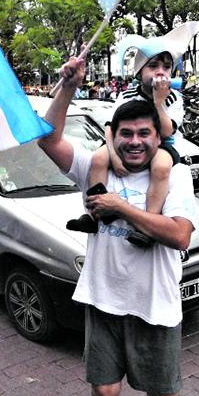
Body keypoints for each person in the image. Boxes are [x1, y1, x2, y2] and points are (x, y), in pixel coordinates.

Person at [37, 56, 197, 396]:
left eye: (144, 133)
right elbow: (47, 139)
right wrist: (66, 85)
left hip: (156, 307)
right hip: (104, 301)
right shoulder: (94, 165)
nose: (134, 141)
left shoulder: (175, 174)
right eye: (125, 133)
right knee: (104, 391)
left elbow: (180, 234)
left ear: (157, 136)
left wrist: (119, 208)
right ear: (112, 136)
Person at [69, 46, 182, 248]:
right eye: (153, 66)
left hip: (161, 145)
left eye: (166, 67)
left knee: (162, 167)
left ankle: (148, 224)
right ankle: (94, 214)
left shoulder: (173, 97)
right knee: (98, 158)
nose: (160, 72)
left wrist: (159, 101)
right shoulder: (127, 95)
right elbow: (110, 127)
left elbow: (166, 131)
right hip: (121, 143)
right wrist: (113, 155)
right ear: (139, 72)